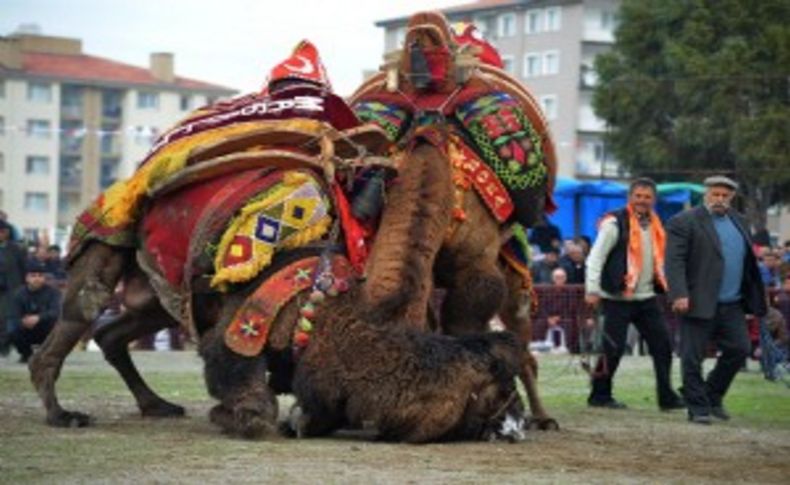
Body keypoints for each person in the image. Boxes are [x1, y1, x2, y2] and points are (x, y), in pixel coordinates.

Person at [666, 175, 767, 424]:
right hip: (696, 300)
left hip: (732, 302)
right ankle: (697, 408)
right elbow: (673, 261)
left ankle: (712, 394)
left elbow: (748, 264)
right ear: (706, 194)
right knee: (692, 357)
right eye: (715, 194)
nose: (720, 199)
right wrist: (679, 293)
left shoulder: (740, 221)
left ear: (731, 198)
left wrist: (755, 298)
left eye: (725, 195)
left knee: (740, 349)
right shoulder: (684, 221)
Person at [584, 177, 684, 411]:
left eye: (647, 197)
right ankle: (599, 395)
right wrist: (592, 290)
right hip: (616, 299)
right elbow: (595, 259)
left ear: (654, 200)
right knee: (613, 349)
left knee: (663, 345)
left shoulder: (659, 226)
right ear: (630, 198)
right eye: (638, 196)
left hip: (647, 298)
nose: (642, 200)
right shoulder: (614, 224)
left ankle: (666, 397)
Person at [6, 261, 61, 363]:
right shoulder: (18, 294)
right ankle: (27, 354)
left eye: (40, 275)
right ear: (27, 278)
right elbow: (13, 314)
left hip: (46, 328)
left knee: (59, 328)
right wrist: (24, 321)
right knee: (11, 328)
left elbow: (56, 312)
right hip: (26, 328)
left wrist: (38, 318)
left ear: (44, 278)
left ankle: (48, 355)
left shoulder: (53, 293)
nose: (37, 279)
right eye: (33, 276)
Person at [0, 219, 28, 356]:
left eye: (2, 231)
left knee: (7, 318)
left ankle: (4, 347)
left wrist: (23, 287)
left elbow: (24, 269)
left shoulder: (16, 249)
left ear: (6, 233)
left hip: (12, 289)